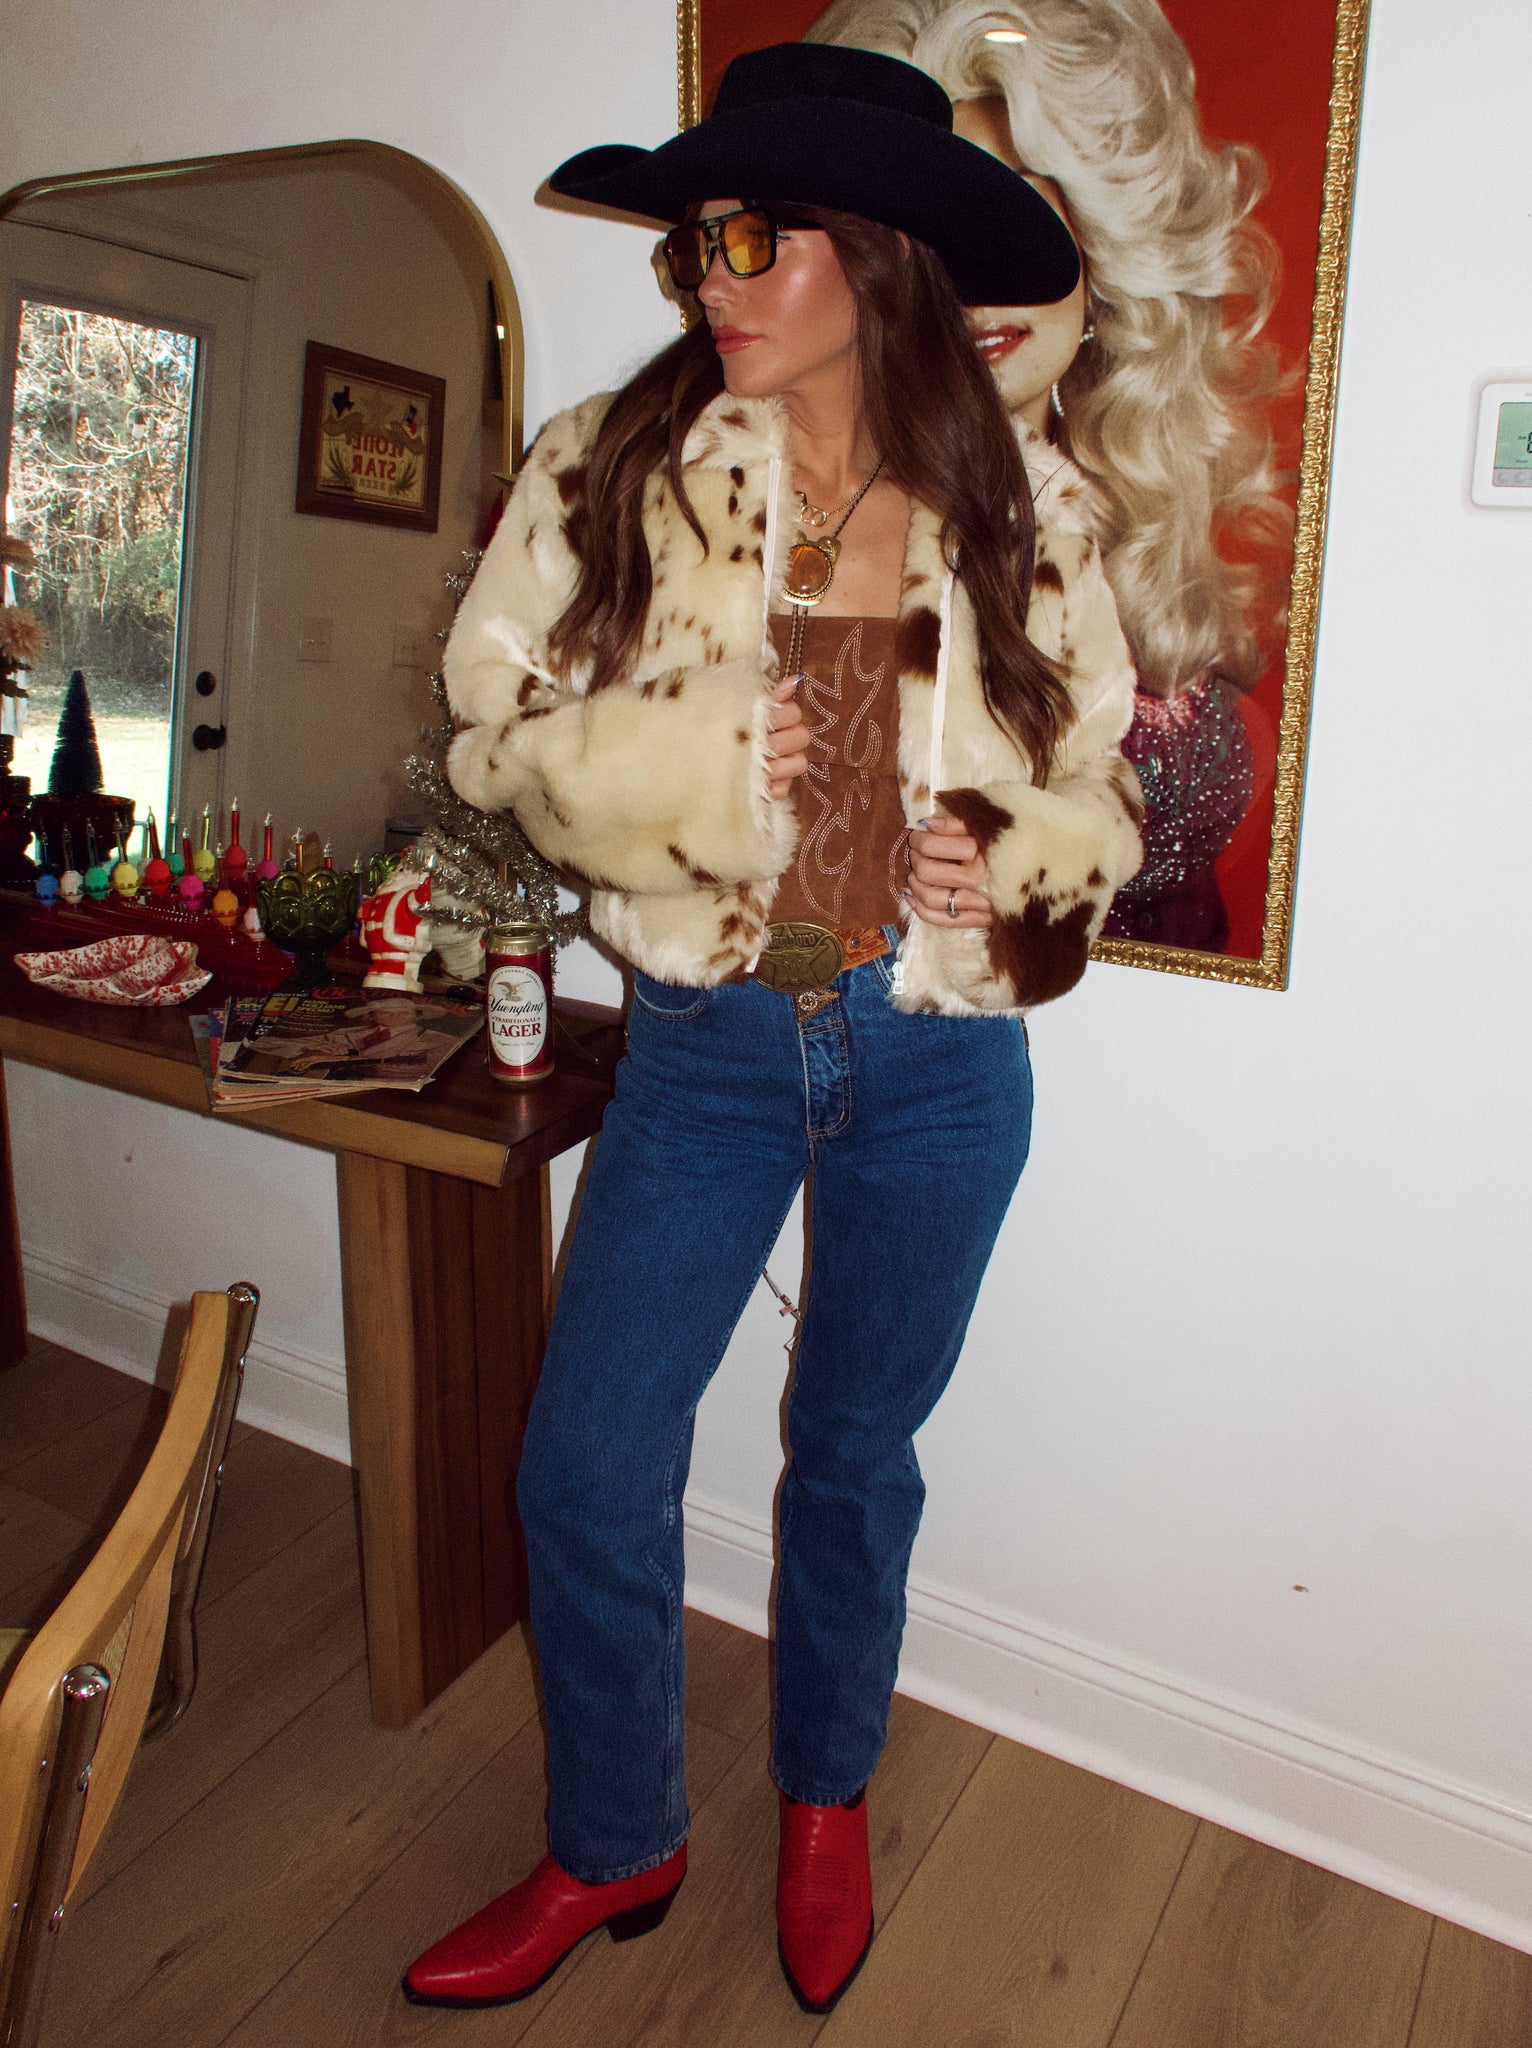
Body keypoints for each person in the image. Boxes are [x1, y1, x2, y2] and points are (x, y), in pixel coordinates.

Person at [402, 41, 1142, 2019]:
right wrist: (699, 759)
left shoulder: (1024, 496)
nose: (701, 276)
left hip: (933, 1058)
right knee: (584, 1463)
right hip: (711, 1047)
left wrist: (1020, 849)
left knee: (853, 1451)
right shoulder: (608, 465)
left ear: (873, 251)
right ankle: (615, 1834)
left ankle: (826, 1794)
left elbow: (1103, 789)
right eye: (694, 242)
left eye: (747, 238)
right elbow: (492, 736)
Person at [809, 0, 1292, 952]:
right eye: (926, 233)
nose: (976, 282)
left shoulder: (1128, 507)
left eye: (1016, 212)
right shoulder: (818, 528)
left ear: (1100, 243)